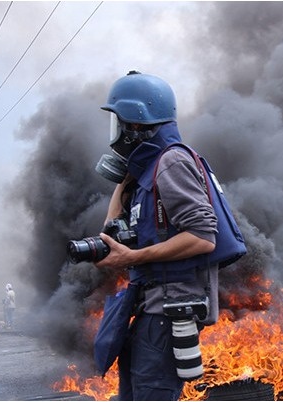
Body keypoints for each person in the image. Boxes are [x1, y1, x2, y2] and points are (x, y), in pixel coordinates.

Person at [94, 71, 221, 401]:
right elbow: (112, 226)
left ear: (137, 123)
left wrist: (133, 257)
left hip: (167, 314)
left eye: (120, 122)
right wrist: (127, 175)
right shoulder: (148, 171)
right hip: (148, 310)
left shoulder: (171, 162)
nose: (117, 133)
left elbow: (203, 236)